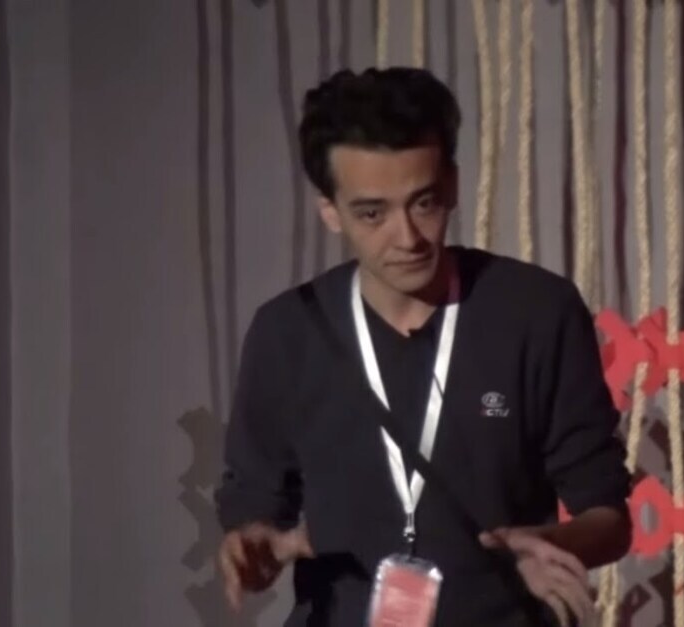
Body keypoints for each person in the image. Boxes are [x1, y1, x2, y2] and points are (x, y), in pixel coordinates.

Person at [214, 66, 633, 627]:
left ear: (453, 186)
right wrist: (254, 547)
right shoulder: (288, 331)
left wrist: (554, 544)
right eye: (372, 213)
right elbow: (254, 501)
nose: (408, 238)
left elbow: (609, 517)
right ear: (330, 211)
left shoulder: (536, 311)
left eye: (424, 203)